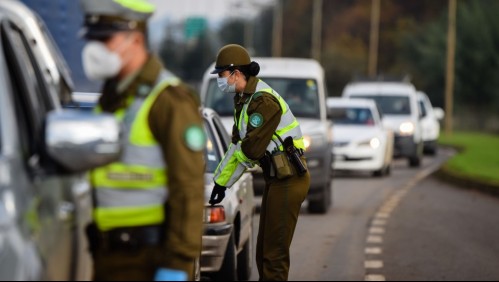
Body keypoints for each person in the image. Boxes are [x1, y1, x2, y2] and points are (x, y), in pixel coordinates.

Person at [79, 0, 205, 280]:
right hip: (108, 256)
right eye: (92, 39)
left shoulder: (169, 100)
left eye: (104, 39)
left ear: (135, 39)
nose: (94, 49)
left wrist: (177, 264)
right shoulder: (111, 98)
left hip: (150, 258)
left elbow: (188, 188)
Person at [208, 44, 311, 281]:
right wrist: (220, 184)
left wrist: (235, 166)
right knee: (263, 252)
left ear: (236, 73)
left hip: (289, 179)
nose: (220, 80)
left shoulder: (263, 102)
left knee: (273, 256)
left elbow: (251, 150)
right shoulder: (243, 100)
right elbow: (236, 147)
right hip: (276, 180)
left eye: (222, 75)